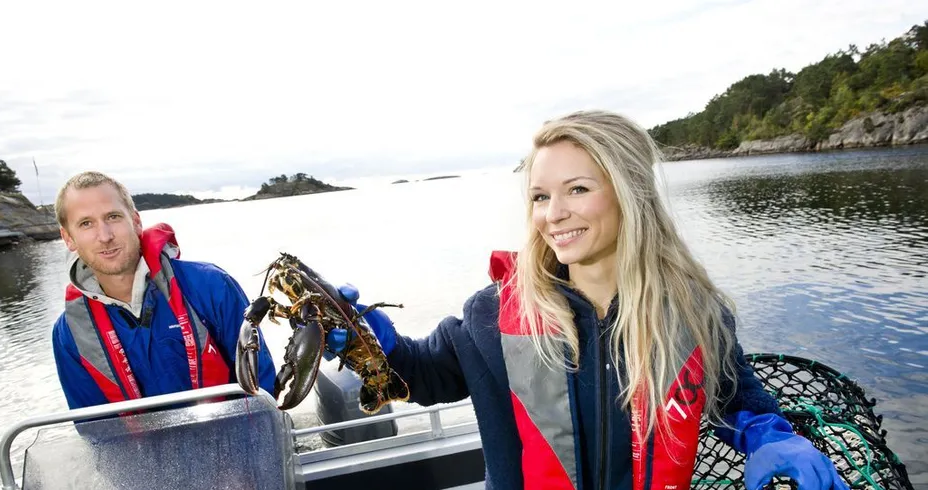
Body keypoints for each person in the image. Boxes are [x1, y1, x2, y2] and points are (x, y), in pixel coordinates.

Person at [318, 111, 849, 490]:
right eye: (540, 196)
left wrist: (768, 435)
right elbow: (424, 373)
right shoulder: (492, 314)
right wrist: (373, 344)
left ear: (629, 192)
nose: (553, 214)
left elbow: (734, 398)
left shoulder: (694, 312)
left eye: (577, 189)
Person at [50, 171, 278, 411]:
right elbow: (93, 426)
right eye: (86, 223)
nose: (105, 236)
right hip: (139, 449)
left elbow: (261, 388)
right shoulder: (69, 333)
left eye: (113, 217)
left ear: (136, 221)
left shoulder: (211, 286)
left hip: (238, 439)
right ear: (68, 238)